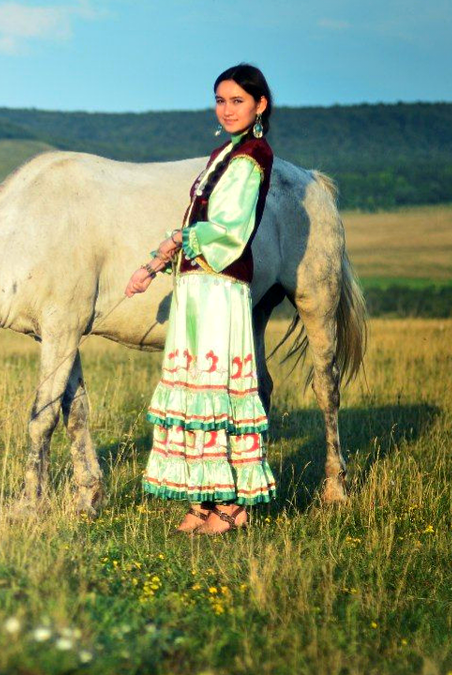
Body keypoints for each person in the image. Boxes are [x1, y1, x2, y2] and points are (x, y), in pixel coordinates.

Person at [124, 63, 278, 535]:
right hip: (195, 285)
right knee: (195, 392)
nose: (227, 109)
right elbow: (198, 222)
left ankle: (231, 505)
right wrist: (157, 262)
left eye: (237, 100)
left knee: (216, 393)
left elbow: (229, 228)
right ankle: (202, 500)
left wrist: (174, 240)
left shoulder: (254, 155)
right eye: (221, 100)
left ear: (259, 105)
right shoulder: (224, 153)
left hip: (220, 286)